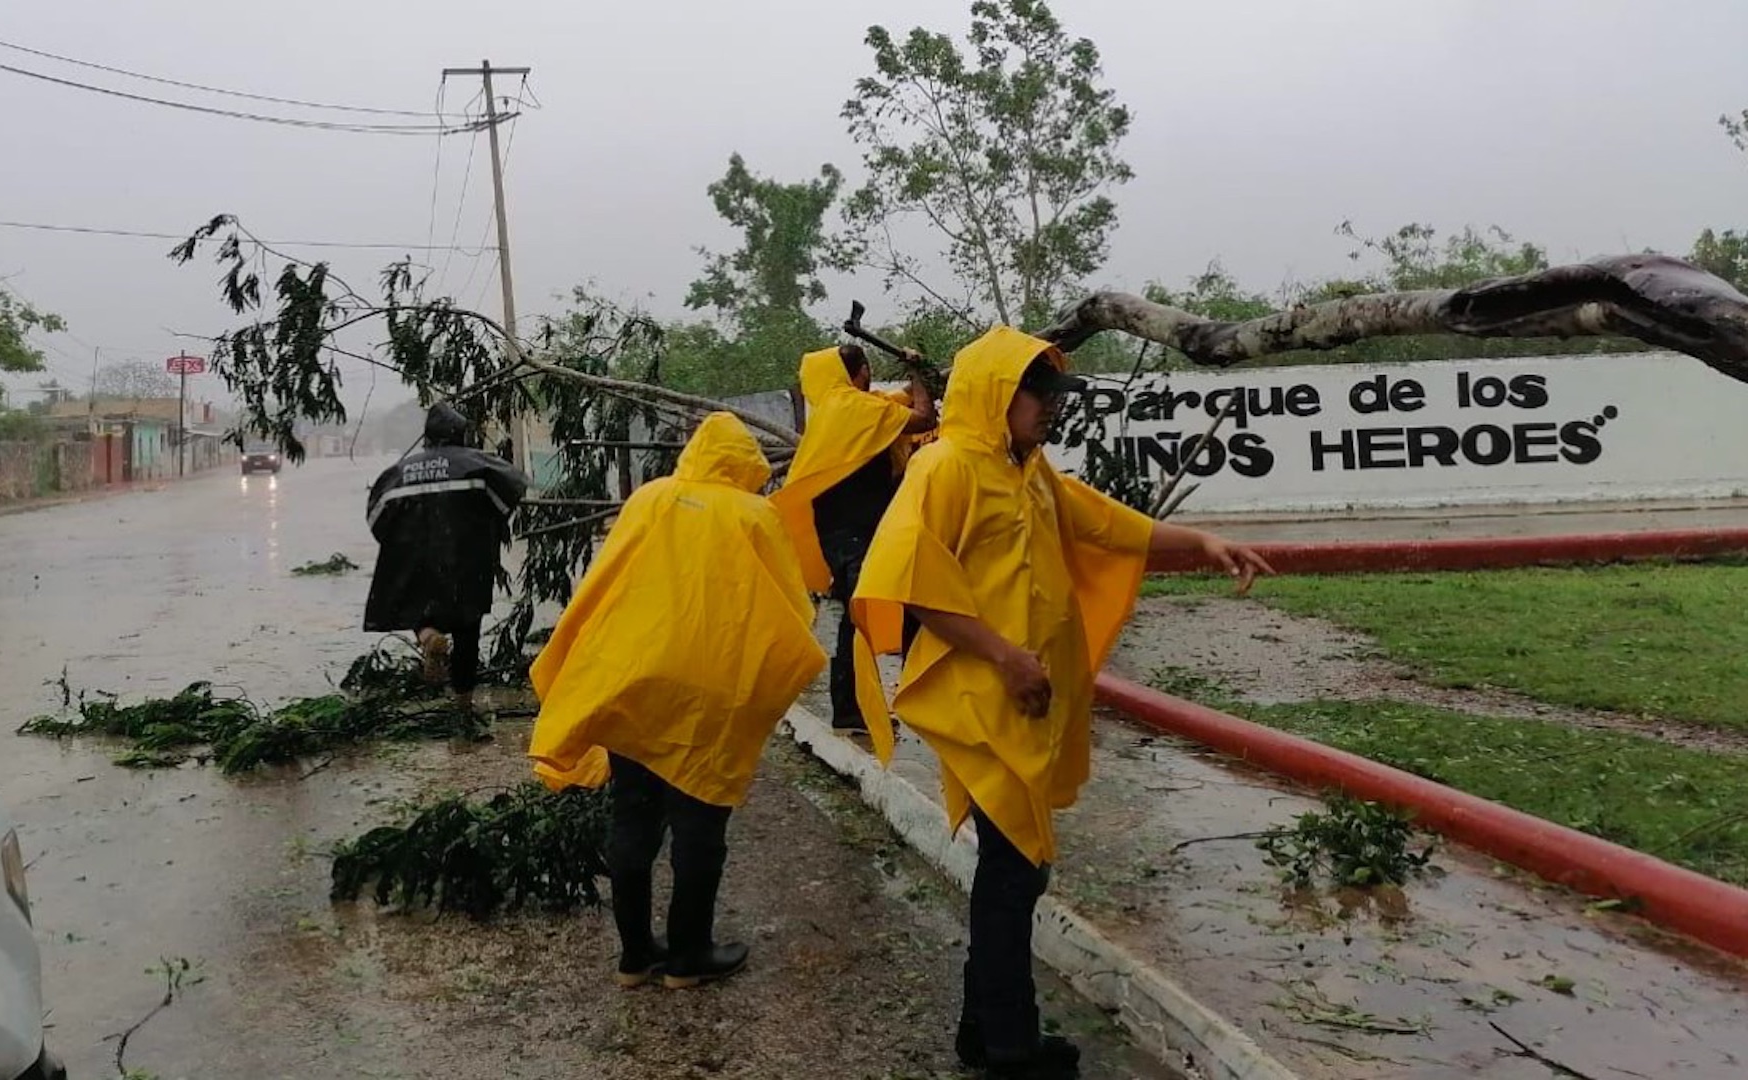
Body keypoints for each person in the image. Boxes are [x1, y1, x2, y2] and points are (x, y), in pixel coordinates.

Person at [847, 327, 1275, 1079]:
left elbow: (1108, 524)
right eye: (1037, 394)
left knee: (1014, 870)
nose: (1050, 408)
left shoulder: (1030, 472)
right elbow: (913, 581)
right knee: (1016, 871)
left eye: (1053, 395)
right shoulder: (945, 467)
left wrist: (1203, 541)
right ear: (994, 395)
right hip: (986, 696)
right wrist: (1007, 657)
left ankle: (983, 1032)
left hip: (1028, 698)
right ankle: (1011, 1046)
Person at [528, 412, 826, 990]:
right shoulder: (754, 513)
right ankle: (690, 956)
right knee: (699, 822)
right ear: (745, 464)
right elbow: (792, 608)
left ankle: (635, 956)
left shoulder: (650, 498)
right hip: (708, 692)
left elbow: (605, 581)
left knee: (634, 815)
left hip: (633, 679)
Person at [772, 343, 937, 732]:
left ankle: (885, 701)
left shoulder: (837, 410)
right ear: (858, 372)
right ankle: (859, 708)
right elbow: (922, 417)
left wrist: (923, 376)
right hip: (858, 533)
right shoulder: (859, 409)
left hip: (839, 532)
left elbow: (899, 401)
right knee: (876, 613)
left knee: (882, 610)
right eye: (868, 369)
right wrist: (915, 372)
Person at [363, 402, 528, 712]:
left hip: (415, 563)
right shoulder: (478, 465)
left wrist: (403, 547)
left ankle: (427, 636)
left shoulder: (399, 473)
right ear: (460, 435)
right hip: (467, 562)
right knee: (467, 629)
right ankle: (463, 704)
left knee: (414, 607)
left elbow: (376, 521)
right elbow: (510, 494)